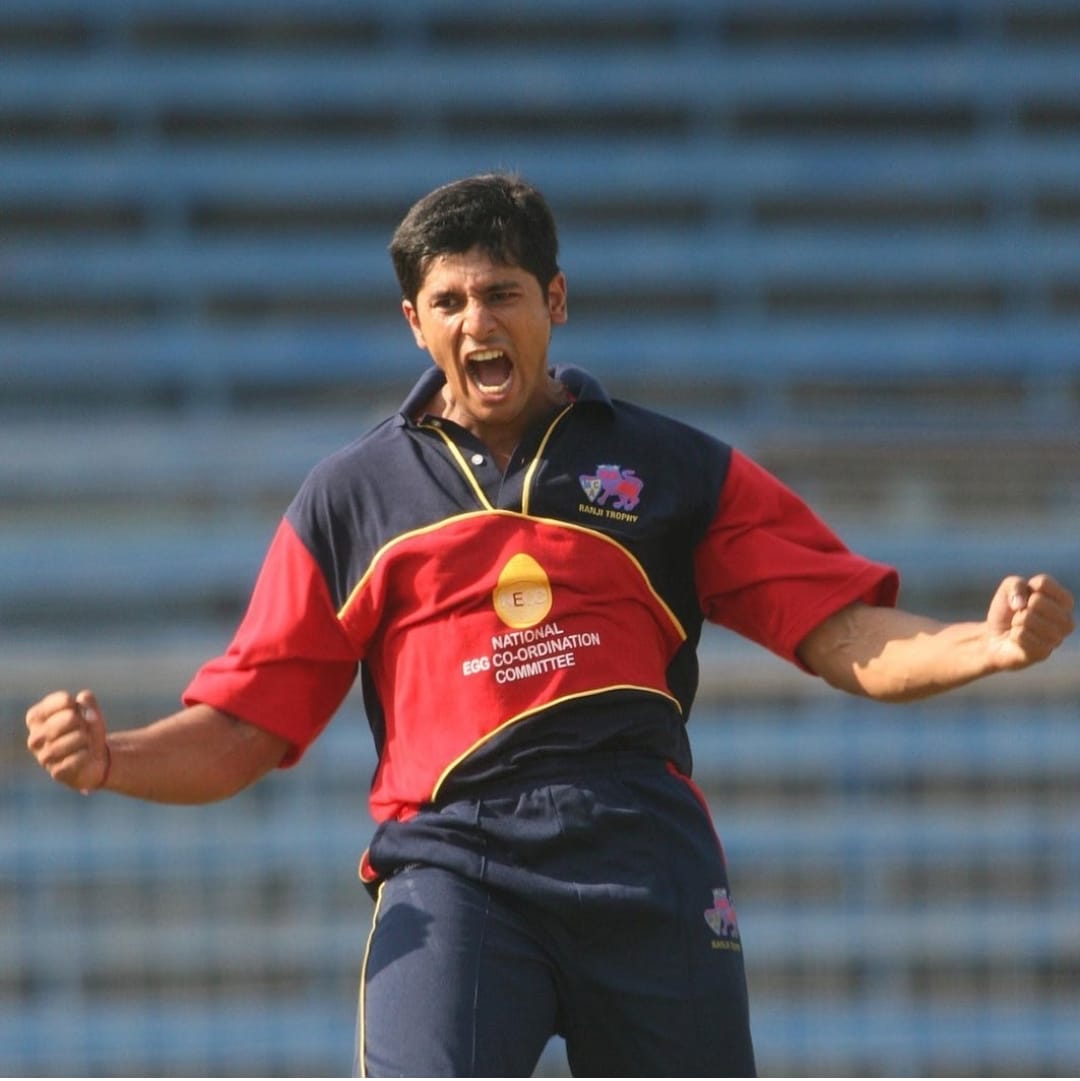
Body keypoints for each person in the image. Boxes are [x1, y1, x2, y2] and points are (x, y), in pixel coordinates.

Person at [26, 173, 1075, 1078]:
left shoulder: (674, 467)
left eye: (502, 294)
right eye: (449, 300)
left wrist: (985, 645)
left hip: (645, 858)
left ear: (555, 301)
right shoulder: (350, 499)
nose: (478, 321)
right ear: (414, 322)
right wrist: (113, 758)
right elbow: (247, 725)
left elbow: (842, 634)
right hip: (456, 865)